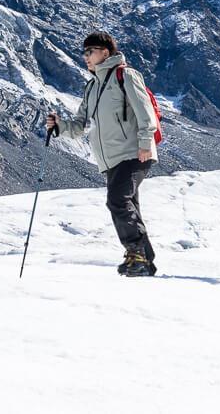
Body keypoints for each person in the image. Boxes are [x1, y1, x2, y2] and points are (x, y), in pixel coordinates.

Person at [46, 32, 160, 277]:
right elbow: (79, 126)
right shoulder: (92, 86)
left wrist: (144, 142)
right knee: (128, 205)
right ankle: (143, 260)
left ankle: (136, 253)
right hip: (111, 159)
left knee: (118, 200)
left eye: (90, 51)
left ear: (105, 53)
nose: (85, 57)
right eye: (83, 53)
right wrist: (59, 126)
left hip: (133, 152)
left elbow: (145, 112)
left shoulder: (125, 75)